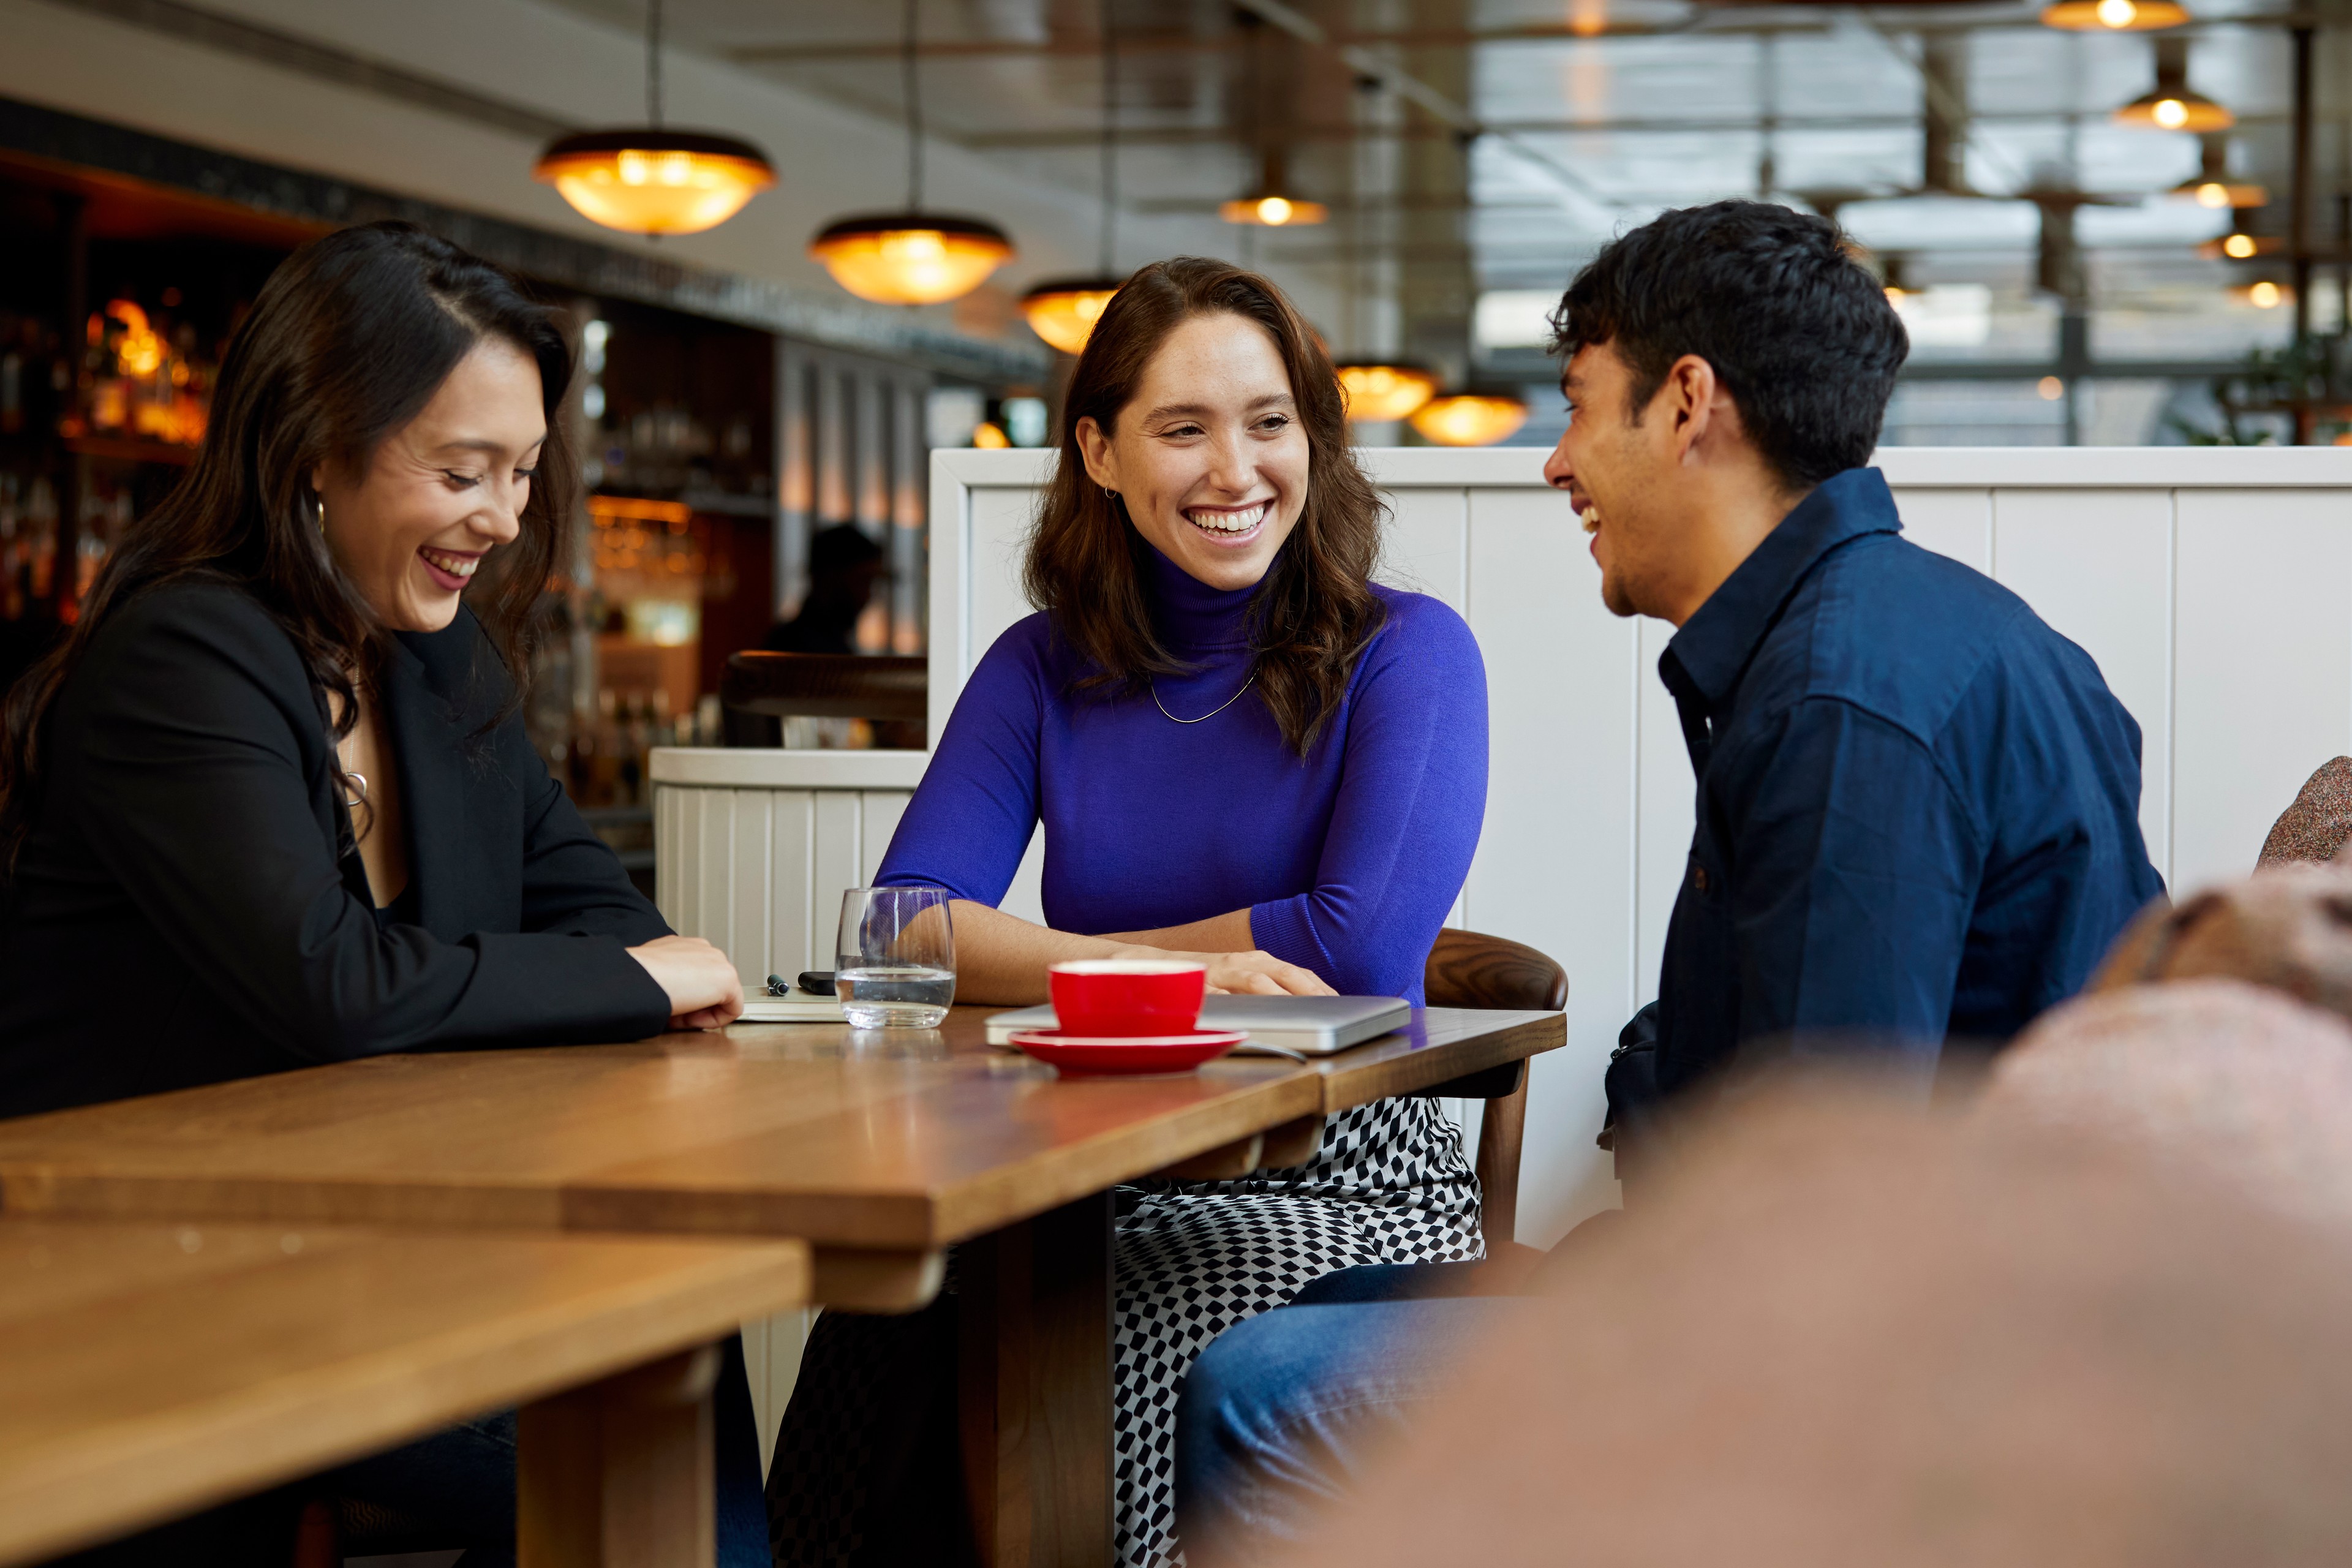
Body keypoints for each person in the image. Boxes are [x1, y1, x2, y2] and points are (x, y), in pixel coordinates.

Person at [1173, 198, 2166, 1562]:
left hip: (1916, 1367)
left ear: (1688, 403)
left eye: (1580, 407)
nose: (1558, 463)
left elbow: (1823, 1193)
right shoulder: (1907, 633)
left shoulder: (1844, 696)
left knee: (1260, 1393)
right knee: (1330, 1303)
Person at [0, 221, 758, 1566]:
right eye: (462, 470)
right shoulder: (185, 653)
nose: (508, 517)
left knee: (675, 1345)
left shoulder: (436, 661)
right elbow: (331, 980)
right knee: (642, 1407)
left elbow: (604, 908)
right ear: (313, 450)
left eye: (522, 472)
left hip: (356, 1247)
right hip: (133, 1280)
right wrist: (634, 979)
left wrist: (627, 965)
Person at [764, 257, 1490, 1568]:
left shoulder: (1410, 649)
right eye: (1183, 427)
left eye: (1270, 422)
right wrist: (1140, 969)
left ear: (1313, 440)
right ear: (1098, 450)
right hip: (1082, 1166)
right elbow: (900, 921)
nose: (1237, 468)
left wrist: (1062, 968)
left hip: (1340, 1174)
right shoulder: (1043, 664)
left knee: (1113, 1328)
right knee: (879, 1319)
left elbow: (1354, 949)